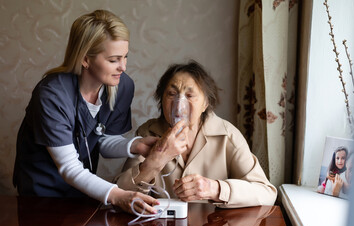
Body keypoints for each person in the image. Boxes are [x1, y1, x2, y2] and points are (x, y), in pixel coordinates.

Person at [12, 9, 187, 214]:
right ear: (85, 59)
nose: (122, 67)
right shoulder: (52, 95)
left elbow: (102, 141)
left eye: (125, 57)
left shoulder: (122, 86)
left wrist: (135, 145)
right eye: (113, 60)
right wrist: (119, 196)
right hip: (41, 195)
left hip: (81, 191)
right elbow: (69, 168)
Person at [115, 60, 277, 208]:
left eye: (190, 95)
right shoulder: (147, 132)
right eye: (171, 94)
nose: (179, 105)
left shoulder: (227, 135)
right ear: (161, 99)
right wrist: (156, 159)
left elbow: (266, 193)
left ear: (206, 103)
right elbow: (119, 196)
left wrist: (215, 189)